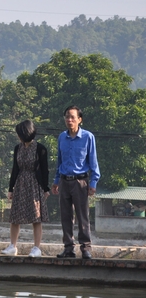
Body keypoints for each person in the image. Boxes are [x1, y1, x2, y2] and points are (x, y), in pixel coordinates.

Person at [51, 105, 100, 260]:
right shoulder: (61, 138)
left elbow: (93, 162)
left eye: (72, 117)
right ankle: (68, 248)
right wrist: (56, 181)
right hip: (65, 181)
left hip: (81, 182)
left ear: (80, 119)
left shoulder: (88, 137)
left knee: (82, 216)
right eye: (67, 117)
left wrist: (93, 183)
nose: (69, 120)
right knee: (65, 216)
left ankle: (85, 248)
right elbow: (60, 161)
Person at [2, 120, 50, 258]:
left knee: (36, 217)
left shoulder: (40, 149)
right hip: (21, 182)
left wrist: (45, 188)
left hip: (35, 184)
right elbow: (15, 168)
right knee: (15, 216)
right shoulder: (18, 148)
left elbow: (44, 169)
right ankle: (12, 246)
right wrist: (11, 188)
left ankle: (36, 248)